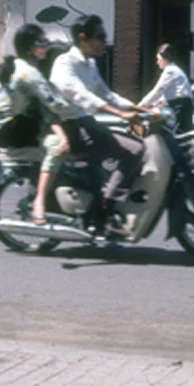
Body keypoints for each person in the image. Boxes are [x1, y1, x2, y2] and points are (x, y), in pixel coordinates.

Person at [49, 14, 147, 236]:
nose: (105, 42)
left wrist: (142, 109)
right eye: (100, 37)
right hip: (71, 127)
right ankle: (107, 207)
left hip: (86, 123)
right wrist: (120, 114)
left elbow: (107, 94)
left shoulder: (90, 64)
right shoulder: (65, 63)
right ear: (83, 38)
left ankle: (105, 202)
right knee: (135, 150)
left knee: (137, 145)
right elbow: (80, 95)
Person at [0, 23, 73, 225]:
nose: (46, 46)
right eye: (41, 43)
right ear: (29, 48)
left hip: (6, 127)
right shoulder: (28, 73)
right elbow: (54, 103)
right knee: (56, 148)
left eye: (46, 42)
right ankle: (40, 202)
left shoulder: (20, 66)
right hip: (10, 128)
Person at [138, 43, 194, 133]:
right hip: (181, 105)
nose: (157, 62)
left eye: (158, 59)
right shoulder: (174, 69)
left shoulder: (170, 71)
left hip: (179, 107)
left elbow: (157, 91)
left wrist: (140, 106)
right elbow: (165, 95)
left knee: (161, 127)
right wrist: (154, 104)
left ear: (165, 59)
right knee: (179, 135)